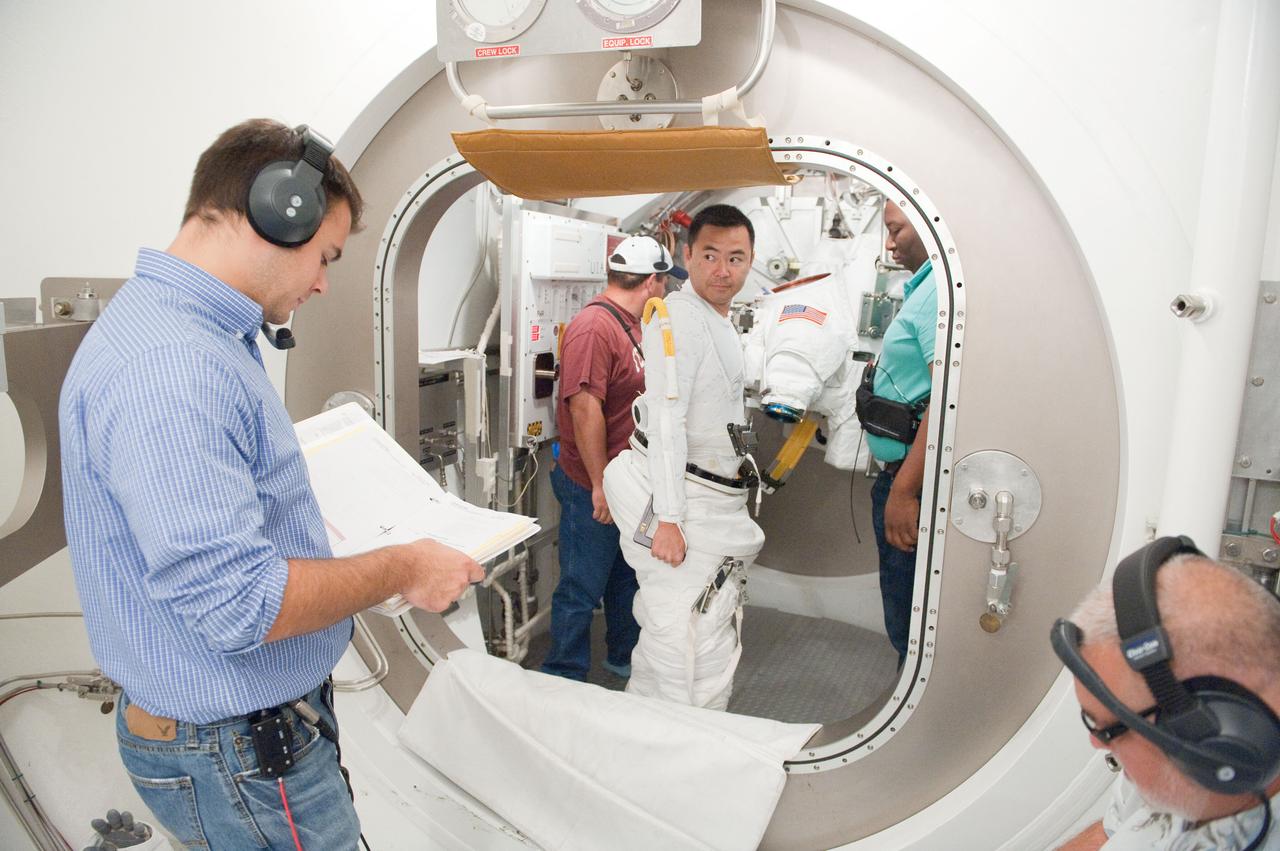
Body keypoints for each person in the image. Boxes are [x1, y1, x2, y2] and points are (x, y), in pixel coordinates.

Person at [59, 119, 485, 849]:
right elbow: (240, 605)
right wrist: (404, 565)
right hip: (239, 756)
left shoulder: (195, 334)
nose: (322, 281)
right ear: (276, 214)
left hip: (245, 742)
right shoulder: (173, 368)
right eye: (324, 256)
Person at [603, 204, 765, 710]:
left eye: (736, 258)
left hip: (709, 494)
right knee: (686, 633)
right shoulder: (677, 319)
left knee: (700, 625)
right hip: (674, 496)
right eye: (711, 255)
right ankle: (671, 745)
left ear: (751, 260)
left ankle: (671, 741)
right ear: (686, 255)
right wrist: (669, 519)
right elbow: (668, 421)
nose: (723, 270)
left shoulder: (719, 321)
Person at [1053, 540, 1280, 850]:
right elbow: (1108, 835)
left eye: (1110, 730)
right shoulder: (1172, 767)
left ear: (1220, 744)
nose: (1097, 743)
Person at [541, 236, 674, 682]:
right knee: (581, 586)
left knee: (625, 578)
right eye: (665, 282)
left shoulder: (632, 323)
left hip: (627, 481)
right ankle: (563, 675)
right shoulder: (595, 327)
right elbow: (584, 408)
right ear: (652, 280)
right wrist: (599, 485)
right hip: (591, 485)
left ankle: (623, 656)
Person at [859, 200, 936, 665]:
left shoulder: (933, 299)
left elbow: (949, 397)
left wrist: (904, 491)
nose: (890, 243)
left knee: (907, 621)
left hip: (912, 481)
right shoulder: (924, 290)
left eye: (896, 229)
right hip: (905, 473)